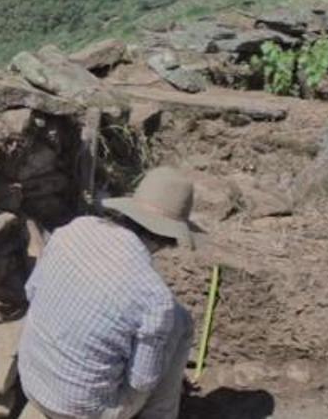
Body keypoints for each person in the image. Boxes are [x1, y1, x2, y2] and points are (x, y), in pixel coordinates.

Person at [17, 167, 201, 419]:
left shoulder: (74, 229)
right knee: (181, 323)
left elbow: (31, 292)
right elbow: (142, 382)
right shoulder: (154, 298)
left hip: (33, 384)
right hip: (84, 411)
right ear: (169, 237)